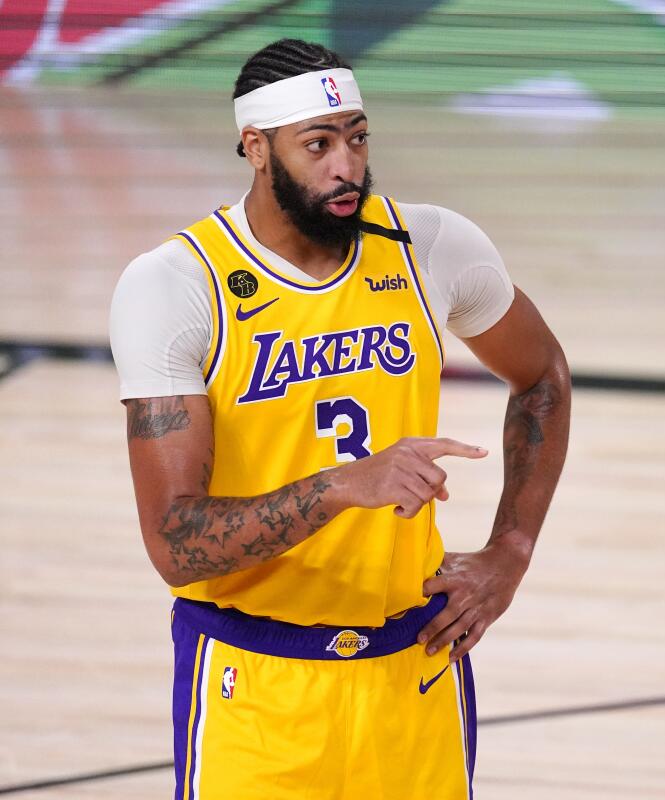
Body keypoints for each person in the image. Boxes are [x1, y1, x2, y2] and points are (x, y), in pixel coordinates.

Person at [109, 38, 570, 799]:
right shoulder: (178, 284)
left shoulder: (430, 246)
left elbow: (542, 373)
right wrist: (338, 487)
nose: (346, 165)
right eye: (317, 145)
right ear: (256, 149)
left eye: (357, 138)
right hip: (255, 685)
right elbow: (175, 545)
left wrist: (511, 549)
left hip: (413, 665)